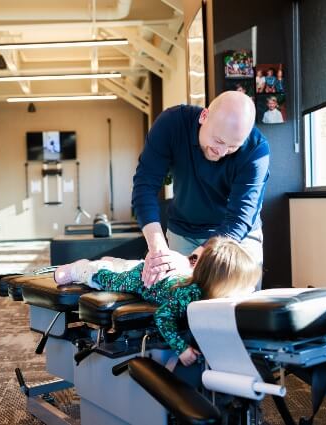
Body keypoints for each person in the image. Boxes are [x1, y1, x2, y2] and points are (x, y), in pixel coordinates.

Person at [132, 91, 270, 287]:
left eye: (232, 147)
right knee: (181, 303)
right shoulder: (172, 124)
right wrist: (158, 250)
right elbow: (145, 185)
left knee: (241, 307)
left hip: (235, 238)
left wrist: (192, 262)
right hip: (184, 232)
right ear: (204, 116)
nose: (222, 152)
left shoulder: (256, 151)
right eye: (219, 141)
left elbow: (240, 218)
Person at [54, 237, 261, 367]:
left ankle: (112, 262)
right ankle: (80, 268)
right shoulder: (188, 296)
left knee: (124, 265)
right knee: (109, 280)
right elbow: (162, 316)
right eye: (243, 285)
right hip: (145, 281)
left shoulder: (213, 292)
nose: (248, 290)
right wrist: (181, 348)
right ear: (220, 283)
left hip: (170, 274)